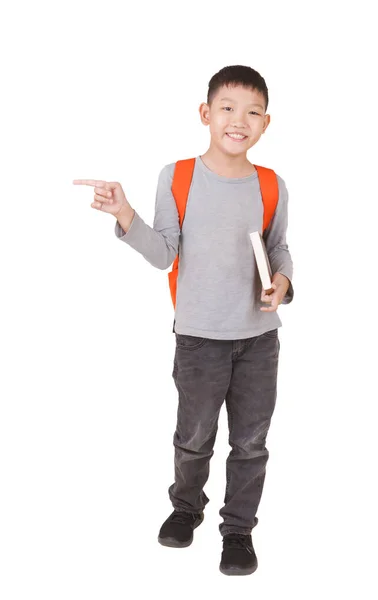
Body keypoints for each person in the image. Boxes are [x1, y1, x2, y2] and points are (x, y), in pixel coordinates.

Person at [73, 64, 294, 576]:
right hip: (198, 338)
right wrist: (125, 214)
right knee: (194, 435)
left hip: (260, 342)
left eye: (253, 112)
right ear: (205, 114)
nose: (239, 120)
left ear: (266, 123)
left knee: (251, 442)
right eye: (227, 108)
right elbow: (162, 254)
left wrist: (283, 282)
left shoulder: (272, 184)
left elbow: (279, 248)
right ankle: (185, 507)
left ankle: (238, 531)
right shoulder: (178, 176)